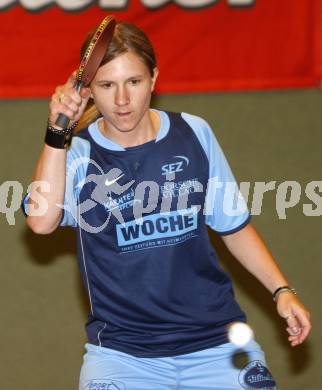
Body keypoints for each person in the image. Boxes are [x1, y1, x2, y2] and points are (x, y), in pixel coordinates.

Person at [23, 20, 311, 390]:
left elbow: (233, 227)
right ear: (89, 90)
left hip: (218, 346)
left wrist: (282, 291)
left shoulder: (193, 132)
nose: (122, 100)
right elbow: (41, 223)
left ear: (154, 79)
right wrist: (57, 131)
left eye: (134, 82)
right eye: (107, 85)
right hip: (122, 357)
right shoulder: (76, 155)